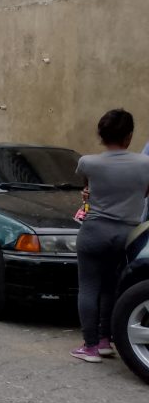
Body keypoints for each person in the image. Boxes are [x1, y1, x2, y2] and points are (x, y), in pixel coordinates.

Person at [71, 109, 149, 363]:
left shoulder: (87, 162)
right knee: (110, 287)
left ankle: (90, 346)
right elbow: (144, 193)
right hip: (127, 234)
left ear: (101, 135)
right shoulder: (145, 163)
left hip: (94, 230)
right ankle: (106, 341)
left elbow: (88, 189)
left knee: (89, 287)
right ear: (129, 136)